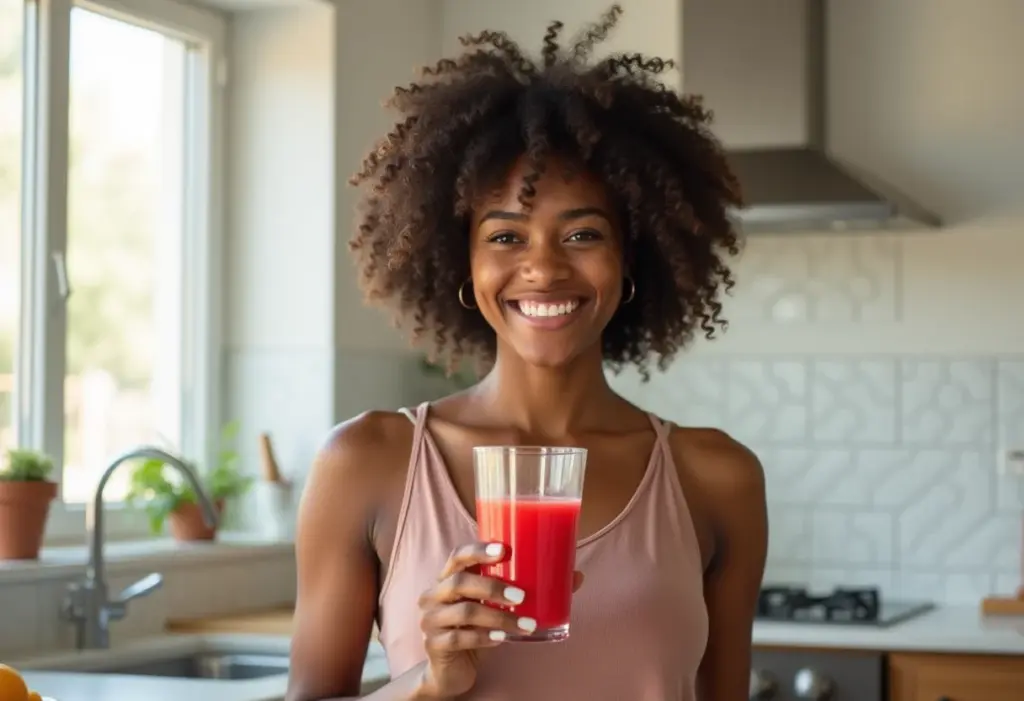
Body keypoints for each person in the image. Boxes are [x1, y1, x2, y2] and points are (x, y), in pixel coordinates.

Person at [286, 5, 768, 701]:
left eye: (582, 235)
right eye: (507, 237)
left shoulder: (718, 477)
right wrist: (429, 682)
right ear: (462, 260)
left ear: (633, 259)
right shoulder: (366, 462)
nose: (543, 269)